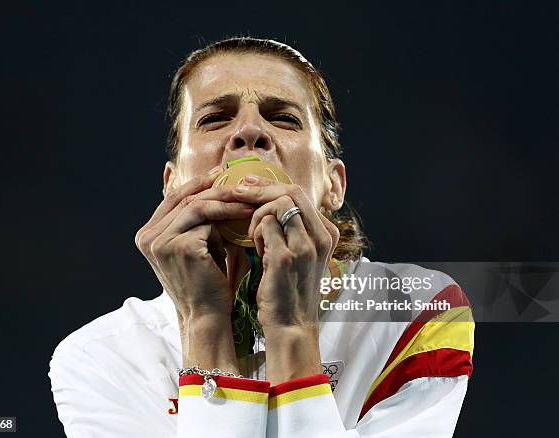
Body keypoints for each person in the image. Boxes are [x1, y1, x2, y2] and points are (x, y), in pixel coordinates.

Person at [48, 37, 474, 438]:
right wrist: (204, 325)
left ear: (334, 185)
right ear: (172, 183)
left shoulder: (415, 312)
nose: (250, 133)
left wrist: (292, 330)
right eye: (215, 118)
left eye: (283, 118)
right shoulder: (100, 358)